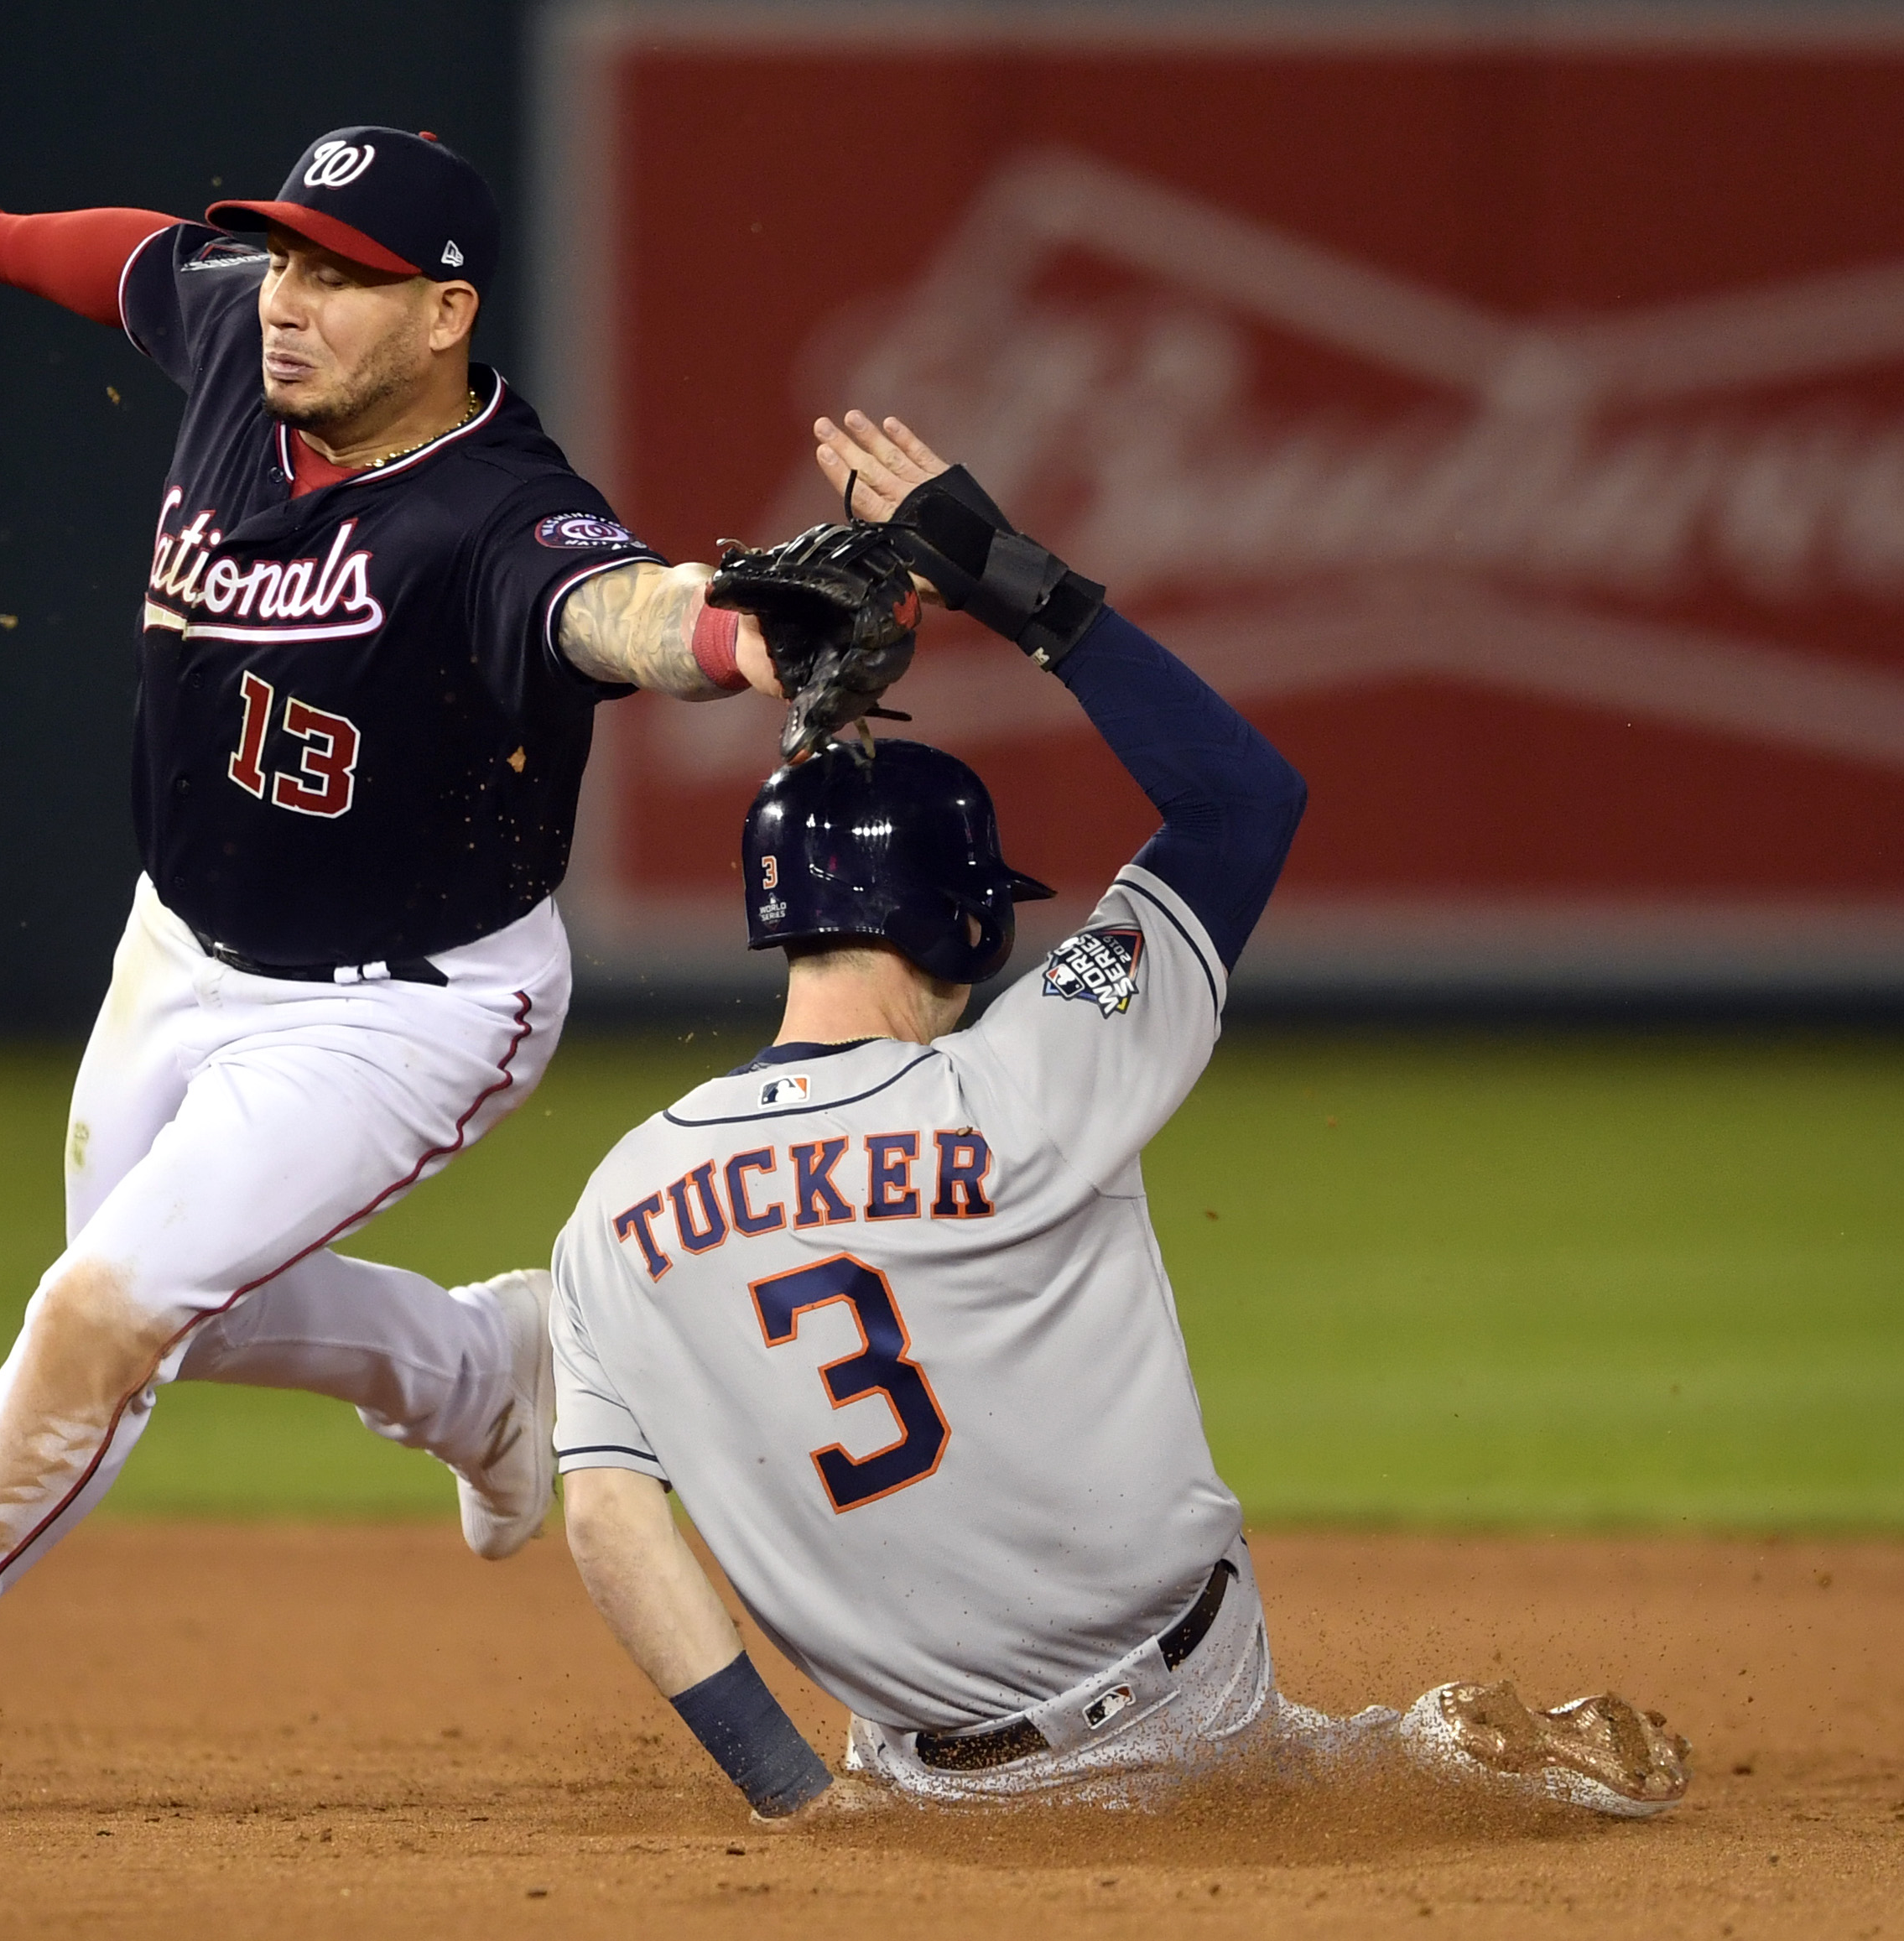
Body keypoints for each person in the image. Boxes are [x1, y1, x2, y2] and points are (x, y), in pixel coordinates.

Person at [0, 127, 788, 1819]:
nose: (287, 302)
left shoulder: (493, 511)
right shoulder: (251, 347)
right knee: (150, 1304)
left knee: (104, 1308)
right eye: (286, 261)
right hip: (178, 943)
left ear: (445, 312)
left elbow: (617, 612)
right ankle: (481, 1371)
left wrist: (740, 635)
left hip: (403, 1005)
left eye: (336, 275)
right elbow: (141, 257)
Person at [544, 411, 1693, 1821]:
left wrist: (792, 1800)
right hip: (1182, 1712)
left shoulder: (614, 1202)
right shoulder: (1035, 1071)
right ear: (966, 923)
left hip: (913, 1789)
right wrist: (1023, 587)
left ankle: (1368, 1757)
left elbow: (606, 1518)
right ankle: (1402, 1758)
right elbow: (1240, 803)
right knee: (1349, 1785)